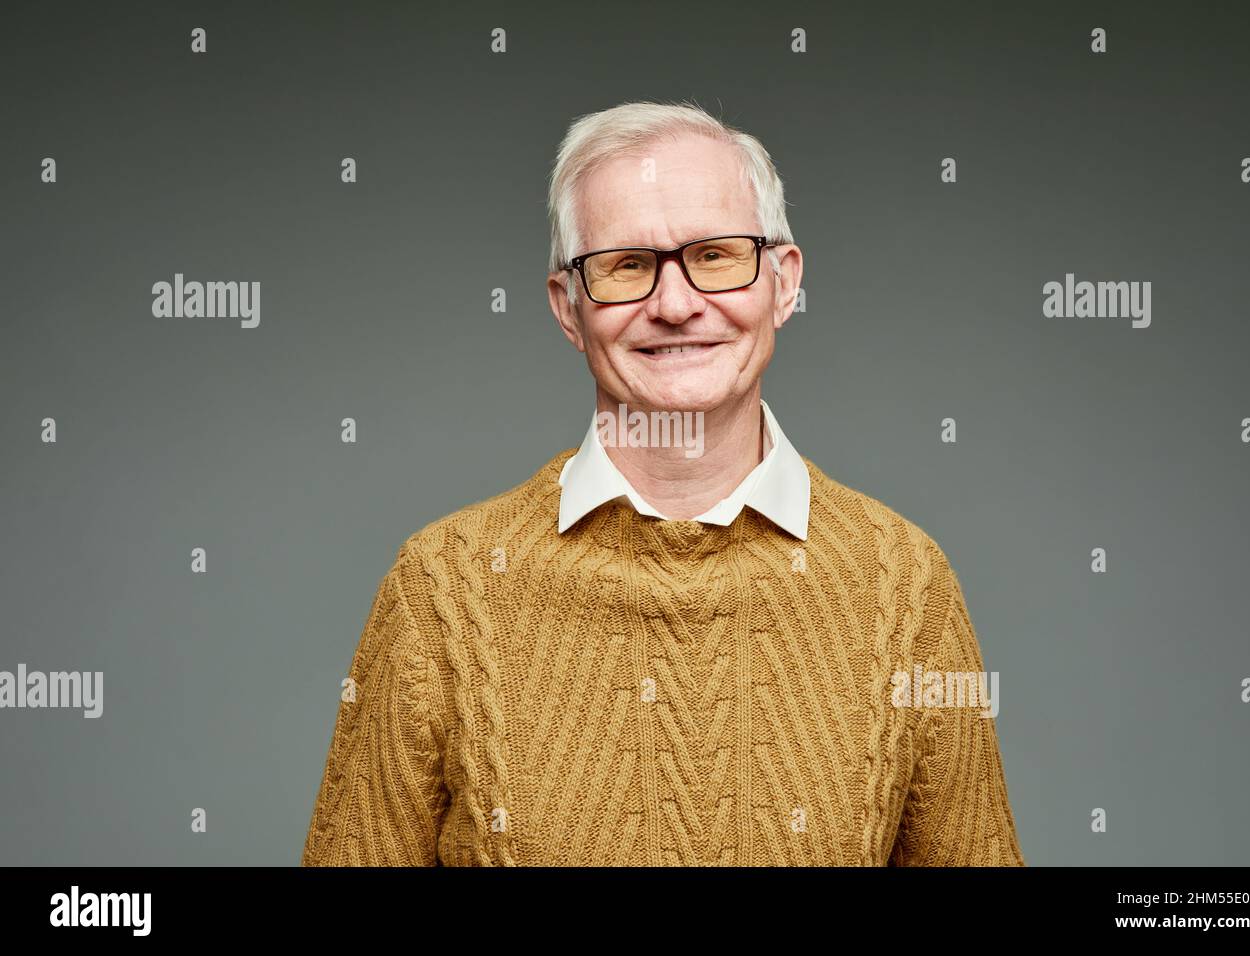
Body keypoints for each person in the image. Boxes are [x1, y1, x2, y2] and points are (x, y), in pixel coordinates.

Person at [301, 100, 1025, 866]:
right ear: (568, 308)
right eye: (627, 265)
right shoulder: (443, 588)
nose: (675, 305)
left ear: (784, 283)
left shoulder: (904, 584)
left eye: (715, 255)